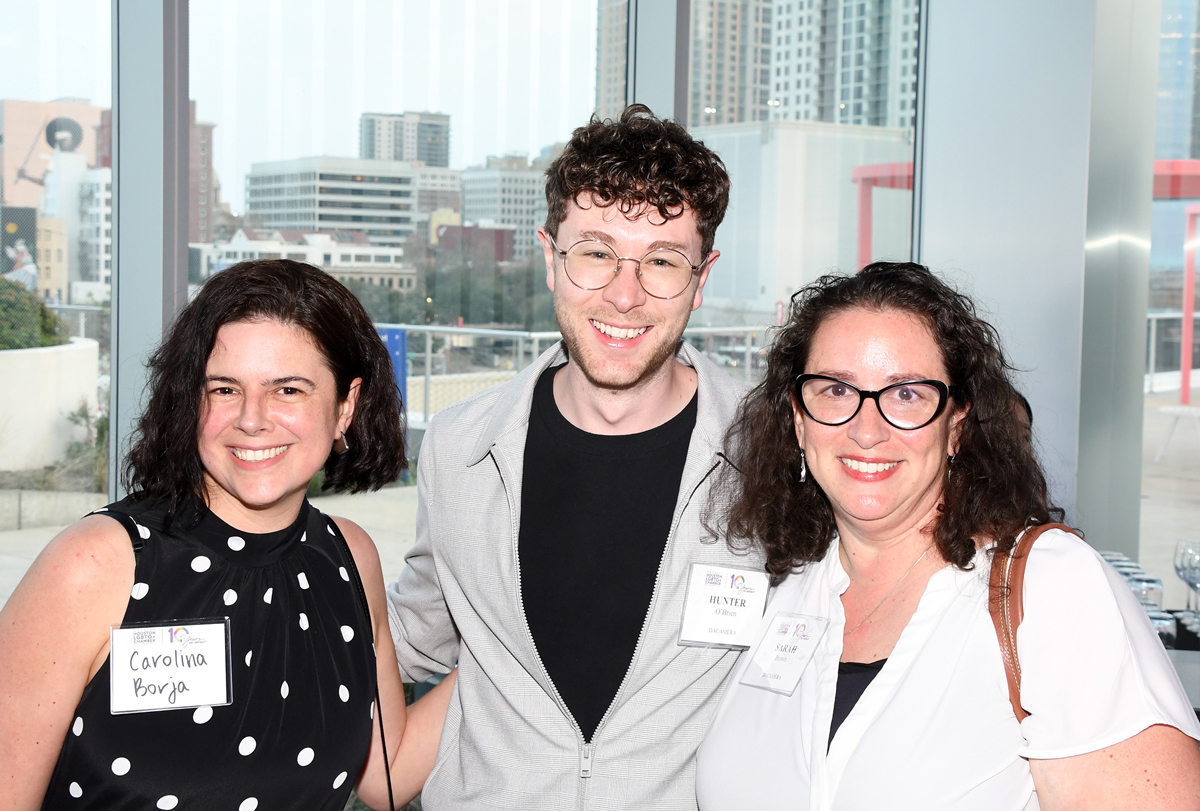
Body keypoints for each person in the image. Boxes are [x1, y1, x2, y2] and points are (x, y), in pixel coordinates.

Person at [696, 262, 1200, 810]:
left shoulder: (1050, 588)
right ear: (799, 418)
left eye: (907, 394)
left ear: (956, 423)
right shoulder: (781, 588)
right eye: (836, 389)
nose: (867, 430)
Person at [385, 105, 764, 809]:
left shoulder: (770, 454)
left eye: (662, 262)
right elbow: (413, 638)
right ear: (550, 258)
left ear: (702, 277)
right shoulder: (461, 449)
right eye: (595, 253)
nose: (624, 295)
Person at [0, 260, 455, 811]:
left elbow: (387, 773)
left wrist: (511, 639)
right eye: (223, 388)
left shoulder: (348, 558)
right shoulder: (94, 566)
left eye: (288, 389)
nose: (252, 419)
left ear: (345, 406)